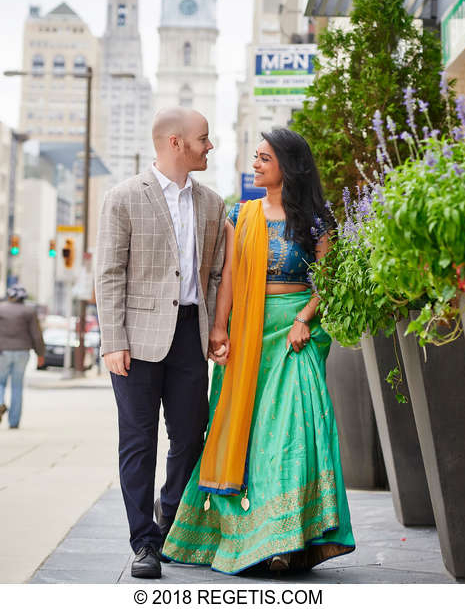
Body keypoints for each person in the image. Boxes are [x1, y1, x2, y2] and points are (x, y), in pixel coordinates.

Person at [162, 128, 356, 575]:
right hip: (248, 331)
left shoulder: (316, 220)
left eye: (264, 158)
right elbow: (229, 277)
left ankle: (288, 538)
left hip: (295, 332)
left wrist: (305, 319)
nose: (256, 164)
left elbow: (326, 282)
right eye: (256, 157)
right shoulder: (242, 214)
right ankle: (246, 537)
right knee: (246, 434)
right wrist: (217, 329)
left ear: (288, 165)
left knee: (289, 432)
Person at [95, 108, 228, 580]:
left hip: (190, 336)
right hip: (136, 340)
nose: (210, 146)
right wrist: (113, 340)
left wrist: (216, 327)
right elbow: (108, 274)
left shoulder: (212, 204)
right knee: (138, 441)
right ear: (176, 143)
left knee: (191, 435)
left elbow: (214, 274)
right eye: (204, 139)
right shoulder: (124, 198)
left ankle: (168, 515)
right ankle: (144, 543)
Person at [0, 285, 45, 429]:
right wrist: (41, 354)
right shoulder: (29, 311)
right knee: (17, 386)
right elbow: (36, 335)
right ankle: (14, 422)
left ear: (9, 296)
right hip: (22, 352)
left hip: (0, 351)